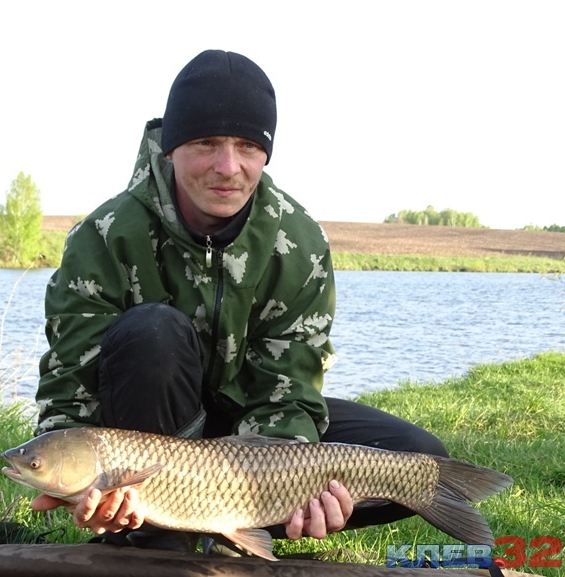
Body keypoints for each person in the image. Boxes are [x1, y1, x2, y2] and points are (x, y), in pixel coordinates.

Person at [31, 49, 448, 553]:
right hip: (141, 441)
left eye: (247, 146)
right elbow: (70, 383)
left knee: (416, 458)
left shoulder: (299, 241)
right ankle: (156, 541)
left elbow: (290, 386)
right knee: (152, 332)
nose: (228, 167)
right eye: (206, 143)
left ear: (266, 154)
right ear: (171, 148)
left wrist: (295, 480)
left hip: (247, 439)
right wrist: (71, 481)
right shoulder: (105, 235)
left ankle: (231, 536)